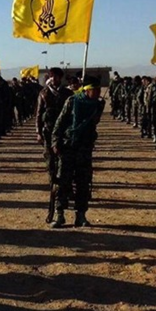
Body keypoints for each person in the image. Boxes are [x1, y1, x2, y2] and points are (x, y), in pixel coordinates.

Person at [50, 76, 105, 228]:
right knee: (63, 182)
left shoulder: (96, 105)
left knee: (83, 183)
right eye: (95, 90)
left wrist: (99, 108)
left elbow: (94, 123)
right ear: (87, 90)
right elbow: (59, 123)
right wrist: (55, 143)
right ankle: (59, 214)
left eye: (99, 89)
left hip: (85, 148)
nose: (98, 92)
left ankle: (80, 215)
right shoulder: (72, 102)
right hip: (68, 147)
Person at [36, 68, 74, 222]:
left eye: (58, 77)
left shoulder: (67, 94)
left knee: (64, 165)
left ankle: (63, 192)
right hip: (48, 133)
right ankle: (54, 187)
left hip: (63, 136)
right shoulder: (44, 93)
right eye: (53, 77)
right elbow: (38, 114)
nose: (55, 79)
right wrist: (38, 132)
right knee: (51, 165)